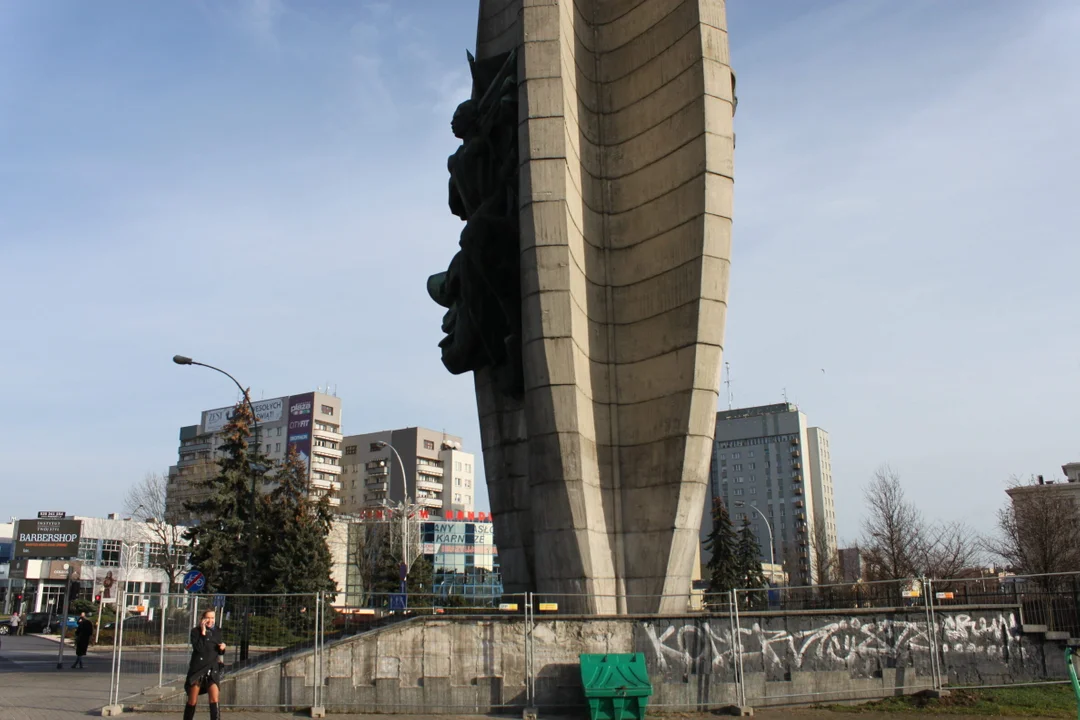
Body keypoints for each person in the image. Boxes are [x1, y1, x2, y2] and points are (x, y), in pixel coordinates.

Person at [184, 609, 225, 720]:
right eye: (208, 618)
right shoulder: (195, 632)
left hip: (212, 667)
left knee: (214, 699)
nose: (210, 620)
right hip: (198, 669)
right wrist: (203, 632)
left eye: (212, 618)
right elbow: (199, 648)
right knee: (192, 700)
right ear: (202, 619)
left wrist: (222, 649)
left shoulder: (218, 631)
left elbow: (217, 650)